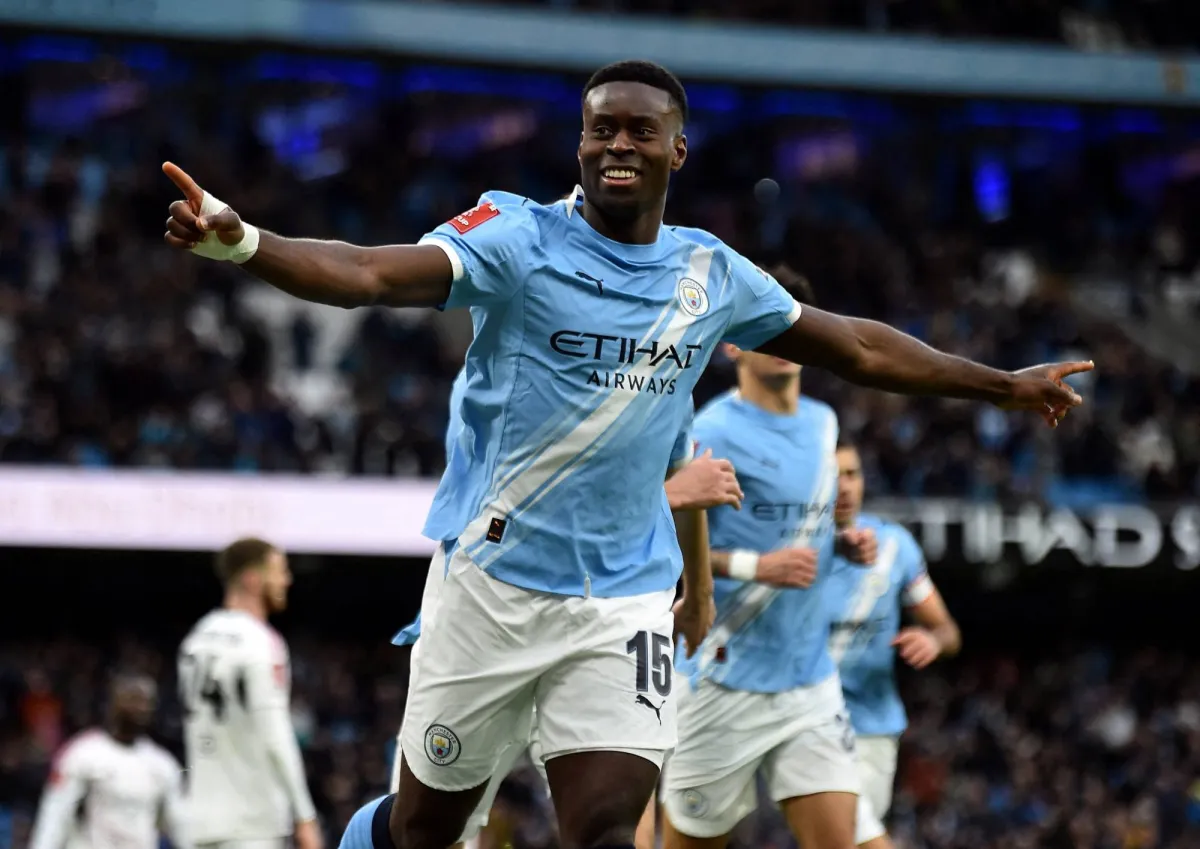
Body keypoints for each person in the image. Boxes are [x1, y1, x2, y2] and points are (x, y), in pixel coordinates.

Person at [161, 58, 1090, 849]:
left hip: (623, 601)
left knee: (607, 828)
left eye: (641, 131)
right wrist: (245, 242)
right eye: (600, 128)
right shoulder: (517, 236)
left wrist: (999, 384)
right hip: (490, 586)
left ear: (677, 150)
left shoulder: (709, 274)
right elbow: (369, 272)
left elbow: (854, 345)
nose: (617, 144)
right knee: (423, 831)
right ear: (579, 142)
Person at [387, 365, 743, 849]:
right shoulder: (500, 368)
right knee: (426, 832)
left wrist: (699, 594)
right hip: (494, 621)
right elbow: (509, 513)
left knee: (617, 832)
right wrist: (672, 496)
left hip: (613, 616)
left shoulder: (661, 360)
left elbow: (680, 468)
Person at [660, 268, 876, 849]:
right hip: (723, 680)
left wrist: (844, 541)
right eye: (764, 330)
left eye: (791, 329)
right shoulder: (712, 430)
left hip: (809, 683)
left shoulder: (825, 423)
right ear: (732, 345)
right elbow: (663, 543)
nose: (782, 343)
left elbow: (805, 521)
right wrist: (756, 568)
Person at [824, 438, 961, 848]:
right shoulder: (790, 551)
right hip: (801, 718)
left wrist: (933, 639)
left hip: (870, 728)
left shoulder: (894, 547)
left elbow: (948, 631)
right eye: (833, 476)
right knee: (847, 834)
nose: (845, 486)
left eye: (852, 474)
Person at [177, 538, 322, 849]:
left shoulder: (195, 640)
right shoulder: (262, 642)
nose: (287, 580)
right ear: (252, 579)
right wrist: (305, 815)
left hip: (199, 822)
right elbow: (275, 734)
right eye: (279, 571)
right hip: (252, 824)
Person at [30, 674, 190, 849]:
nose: (142, 708)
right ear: (113, 702)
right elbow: (56, 813)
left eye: (147, 702)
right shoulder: (82, 753)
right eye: (133, 699)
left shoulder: (162, 763)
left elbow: (178, 824)